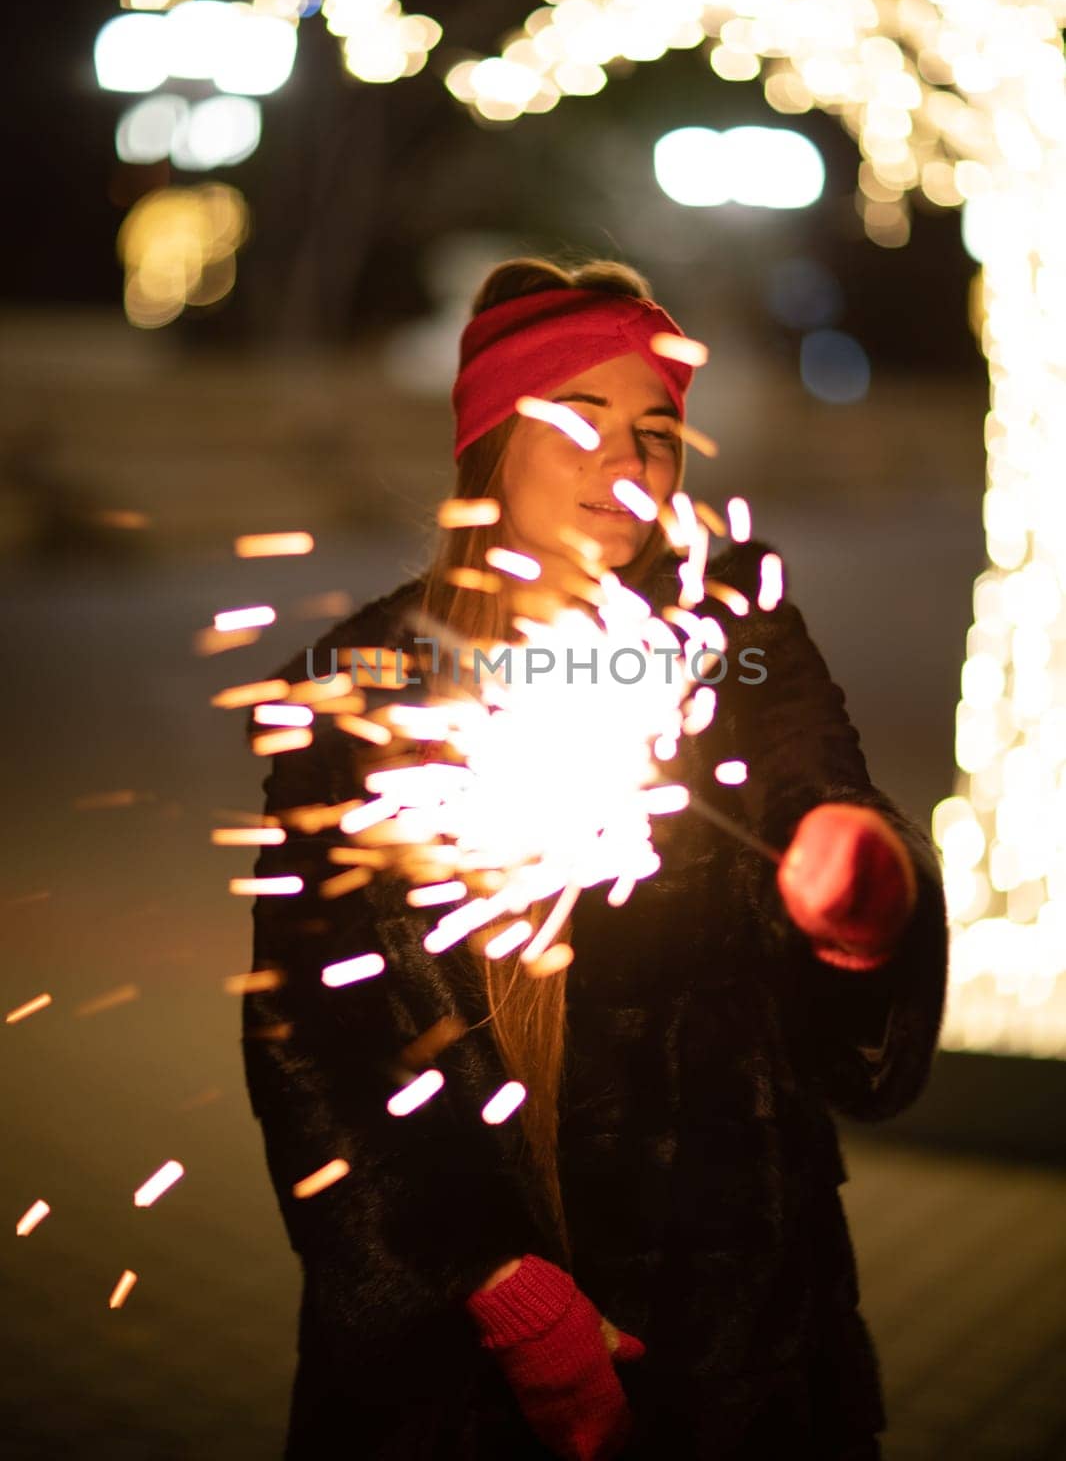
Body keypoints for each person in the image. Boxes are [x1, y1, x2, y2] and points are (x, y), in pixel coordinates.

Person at [242, 257, 948, 1460]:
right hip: (452, 1361)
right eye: (581, 422)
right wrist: (498, 1288)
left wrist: (864, 883)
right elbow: (310, 1033)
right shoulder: (361, 687)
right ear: (488, 447)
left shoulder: (729, 636)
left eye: (659, 435)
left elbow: (814, 784)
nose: (630, 468)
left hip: (730, 1326)